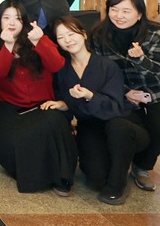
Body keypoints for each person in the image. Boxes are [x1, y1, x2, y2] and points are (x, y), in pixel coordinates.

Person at [47, 16, 149, 205]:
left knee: (117, 128)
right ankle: (114, 167)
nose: (67, 40)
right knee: (96, 179)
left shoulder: (107, 66)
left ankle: (118, 185)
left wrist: (90, 96)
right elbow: (68, 102)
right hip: (91, 126)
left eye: (71, 34)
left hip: (122, 123)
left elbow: (115, 107)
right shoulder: (61, 70)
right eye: (61, 37)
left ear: (84, 34)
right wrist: (63, 104)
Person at [0, 0, 77, 195]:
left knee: (53, 121)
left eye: (18, 18)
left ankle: (60, 177)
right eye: (6, 18)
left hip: (42, 106)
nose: (12, 22)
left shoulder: (38, 37)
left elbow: (57, 65)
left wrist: (39, 41)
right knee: (13, 149)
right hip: (10, 108)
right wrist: (8, 46)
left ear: (25, 21)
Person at [90, 0, 160, 192]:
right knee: (129, 130)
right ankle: (123, 164)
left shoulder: (155, 32)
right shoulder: (99, 35)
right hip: (122, 89)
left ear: (139, 14)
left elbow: (157, 70)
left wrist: (140, 59)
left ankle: (141, 167)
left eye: (126, 11)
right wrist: (125, 92)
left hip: (158, 87)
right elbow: (101, 72)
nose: (119, 16)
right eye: (114, 10)